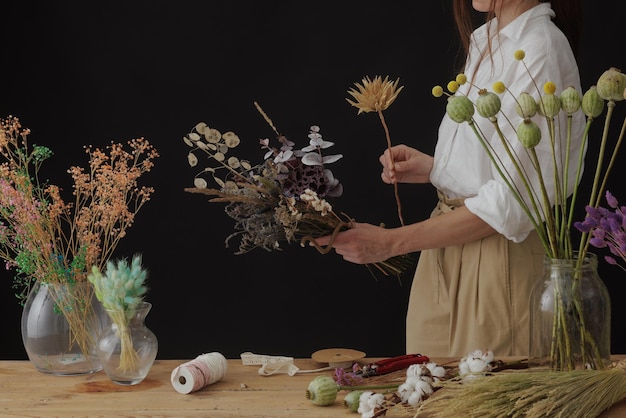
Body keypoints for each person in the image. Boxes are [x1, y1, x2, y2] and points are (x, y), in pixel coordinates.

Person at [315, 0, 585, 357]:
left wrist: (391, 243)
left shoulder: (539, 49)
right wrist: (438, 168)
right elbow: (503, 167)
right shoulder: (489, 39)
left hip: (499, 262)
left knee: (483, 404)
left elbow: (514, 201)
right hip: (446, 252)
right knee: (429, 396)